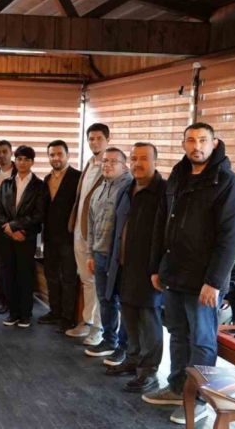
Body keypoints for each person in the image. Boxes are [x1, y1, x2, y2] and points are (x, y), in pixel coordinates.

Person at [144, 123, 235, 425]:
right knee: (178, 333)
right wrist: (156, 267)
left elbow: (231, 237)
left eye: (203, 140)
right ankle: (178, 388)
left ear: (214, 143)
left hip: (204, 281)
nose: (196, 146)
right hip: (174, 274)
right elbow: (161, 223)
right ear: (183, 144)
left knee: (202, 341)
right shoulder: (178, 176)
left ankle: (199, 399)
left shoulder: (227, 182)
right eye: (190, 140)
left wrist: (214, 282)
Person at [106, 143, 165, 389]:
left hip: (149, 270)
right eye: (134, 158)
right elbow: (117, 227)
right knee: (129, 316)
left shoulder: (164, 192)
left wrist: (159, 269)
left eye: (144, 158)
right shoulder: (127, 189)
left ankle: (148, 372)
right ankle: (132, 360)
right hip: (124, 266)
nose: (137, 163)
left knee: (149, 321)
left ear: (155, 162)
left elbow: (166, 234)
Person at [85, 147, 132, 361]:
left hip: (120, 258)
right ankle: (109, 340)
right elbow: (91, 224)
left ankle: (124, 347)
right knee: (105, 299)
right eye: (105, 161)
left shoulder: (130, 188)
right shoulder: (99, 189)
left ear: (124, 166)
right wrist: (90, 253)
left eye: (113, 161)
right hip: (100, 254)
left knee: (124, 303)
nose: (107, 165)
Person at [0, 145, 45, 327]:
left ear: (32, 162)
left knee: (24, 275)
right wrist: (8, 229)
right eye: (19, 159)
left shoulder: (39, 186)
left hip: (26, 237)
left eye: (26, 159)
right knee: (8, 274)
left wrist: (17, 228)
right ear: (15, 161)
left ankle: (25, 314)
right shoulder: (6, 184)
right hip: (6, 236)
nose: (22, 163)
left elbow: (39, 214)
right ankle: (13, 313)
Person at [66, 123, 108, 345]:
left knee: (100, 281)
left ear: (107, 139)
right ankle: (87, 321)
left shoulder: (110, 165)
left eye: (99, 138)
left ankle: (100, 328)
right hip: (80, 230)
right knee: (86, 280)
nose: (94, 142)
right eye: (91, 138)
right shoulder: (89, 164)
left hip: (98, 234)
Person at [40, 140, 81, 333]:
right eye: (52, 155)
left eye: (59, 154)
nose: (56, 158)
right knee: (51, 276)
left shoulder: (78, 177)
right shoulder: (47, 179)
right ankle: (54, 311)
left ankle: (67, 317)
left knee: (68, 278)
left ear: (67, 155)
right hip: (49, 236)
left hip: (69, 237)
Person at [0, 140, 16, 314]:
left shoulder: (20, 172)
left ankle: (15, 300)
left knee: (14, 264)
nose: (1, 155)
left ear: (11, 152)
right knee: (0, 264)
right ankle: (2, 299)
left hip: (14, 227)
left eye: (4, 151)